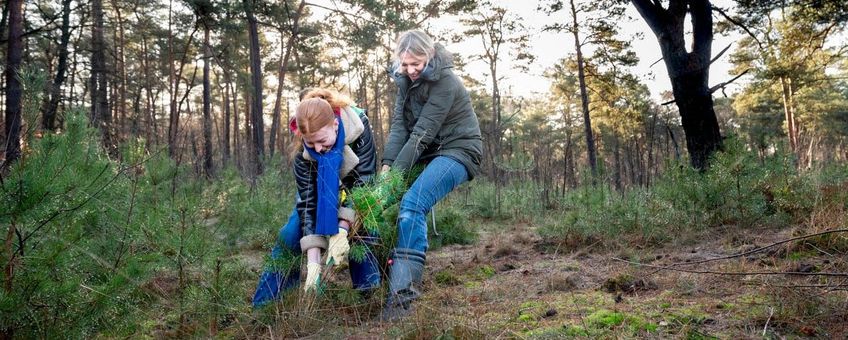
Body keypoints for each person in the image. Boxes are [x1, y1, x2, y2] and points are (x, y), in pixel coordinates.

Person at [380, 29, 483, 320]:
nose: (411, 70)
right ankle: (375, 285)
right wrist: (388, 167)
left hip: (459, 149)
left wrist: (395, 175)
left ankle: (402, 304)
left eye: (418, 64)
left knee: (412, 204)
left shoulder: (446, 81)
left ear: (430, 56)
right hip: (428, 151)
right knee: (383, 204)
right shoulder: (404, 80)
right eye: (406, 64)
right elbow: (401, 127)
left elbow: (421, 133)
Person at [252, 89, 381, 307]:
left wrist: (342, 229)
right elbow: (308, 205)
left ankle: (367, 296)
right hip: (321, 195)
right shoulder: (303, 155)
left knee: (364, 228)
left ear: (336, 125)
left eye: (322, 140)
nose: (318, 149)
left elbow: (364, 182)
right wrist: (313, 265)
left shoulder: (358, 126)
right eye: (311, 144)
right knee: (291, 233)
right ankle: (267, 304)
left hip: (355, 188)